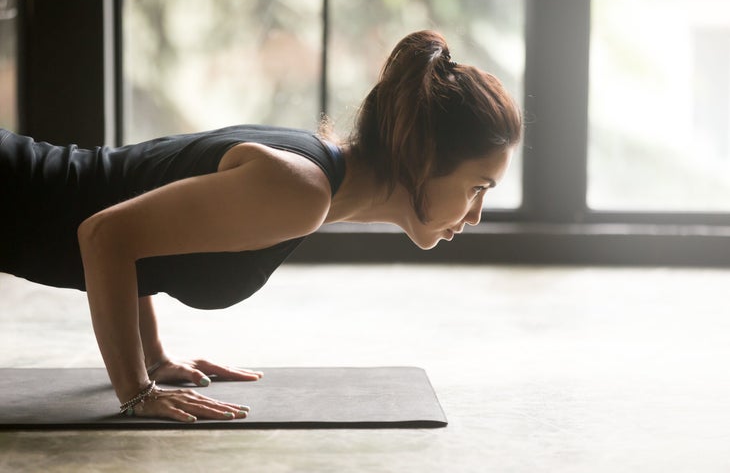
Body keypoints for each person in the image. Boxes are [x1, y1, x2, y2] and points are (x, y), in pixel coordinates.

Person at [0, 30, 522, 422]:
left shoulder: (310, 177)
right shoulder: (299, 190)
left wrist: (154, 359)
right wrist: (137, 391)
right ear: (424, 159)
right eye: (478, 186)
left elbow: (139, 226)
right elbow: (105, 236)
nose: (475, 214)